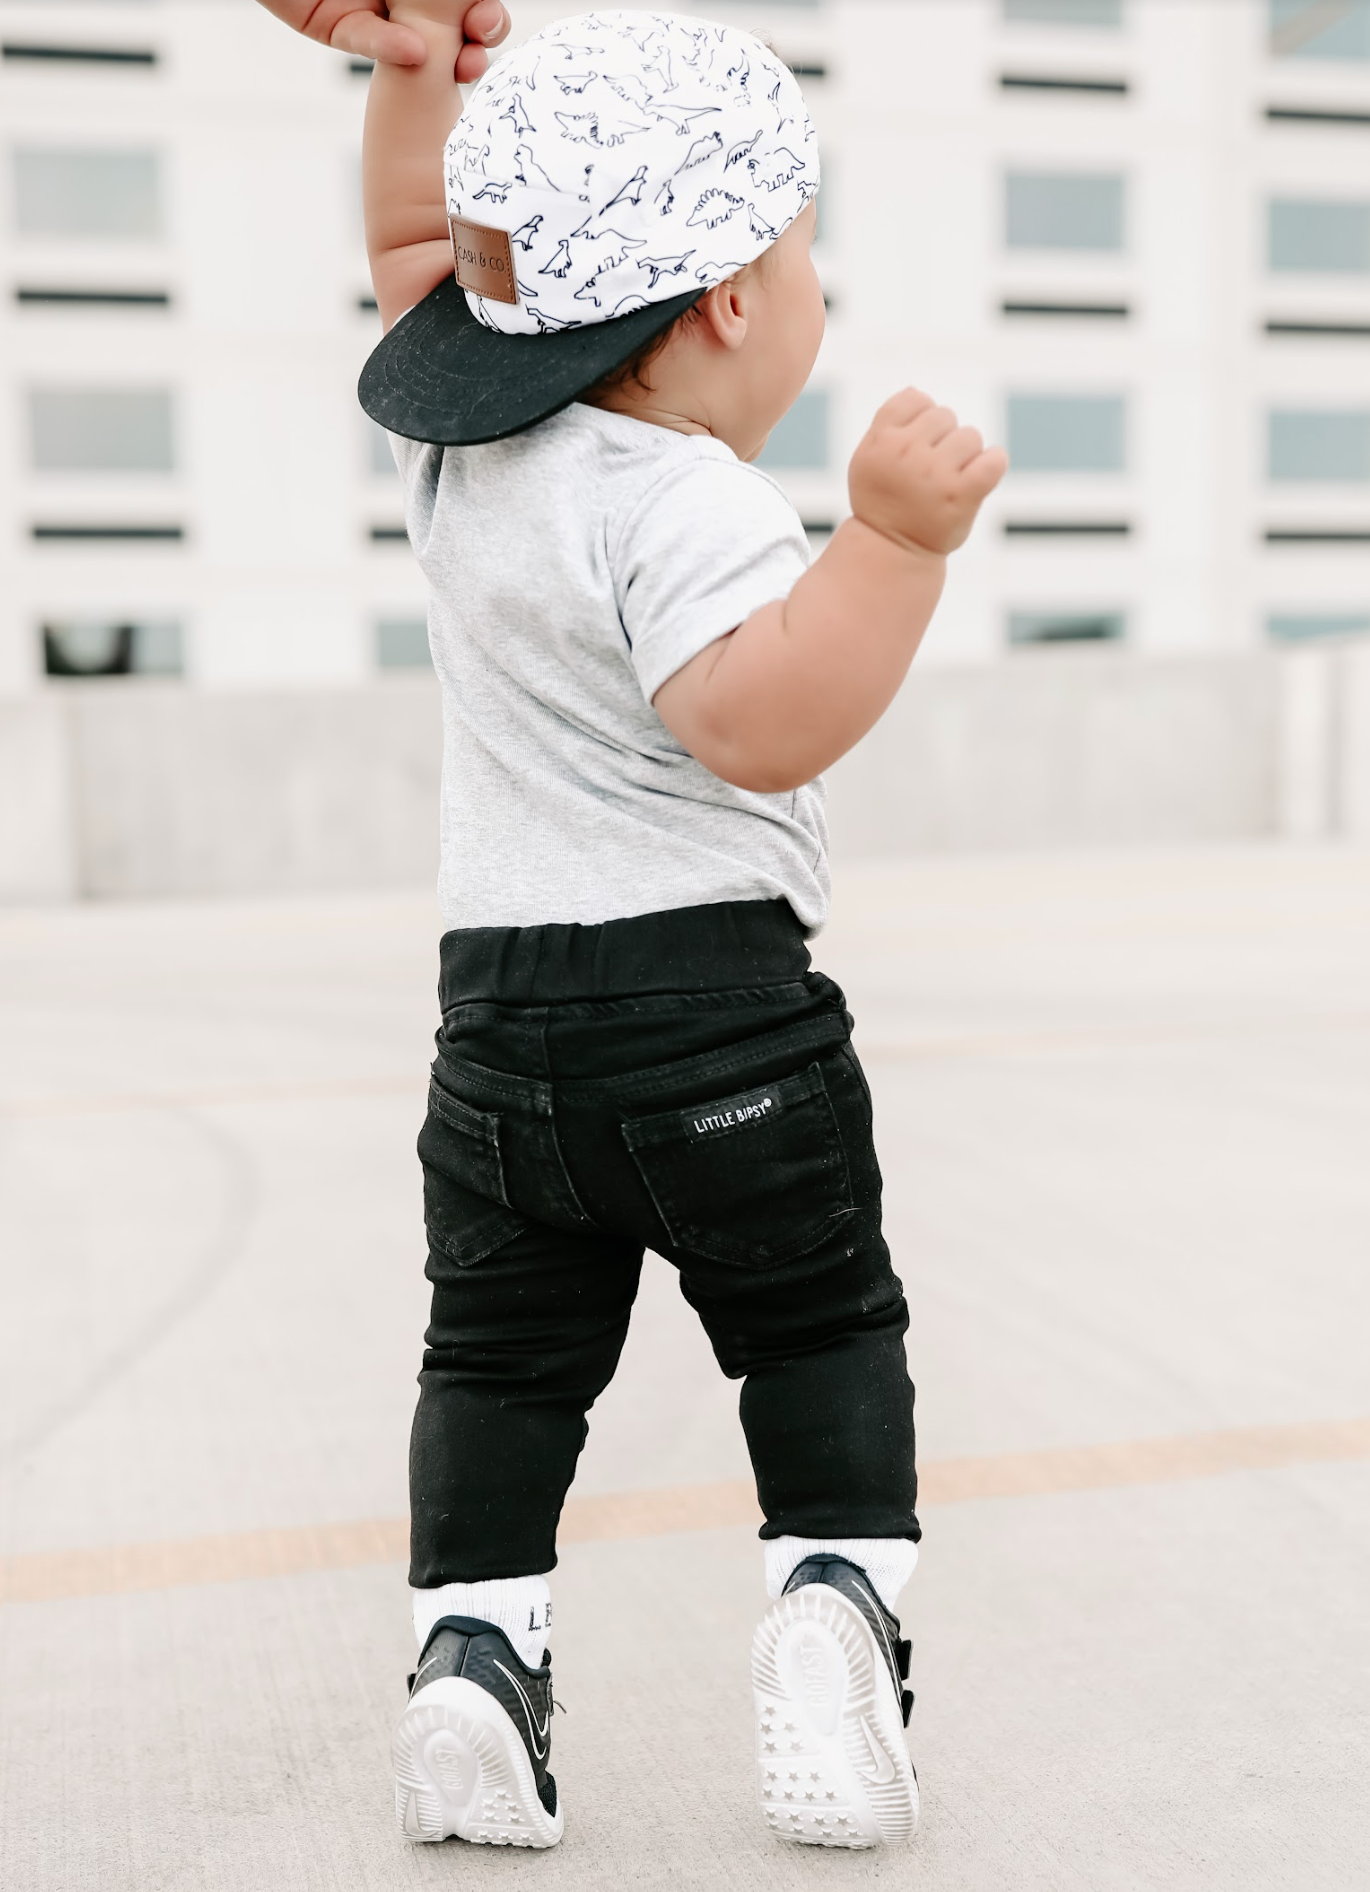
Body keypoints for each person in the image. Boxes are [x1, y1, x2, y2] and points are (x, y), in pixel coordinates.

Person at [260, 0, 1006, 1853]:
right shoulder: (683, 498)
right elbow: (754, 722)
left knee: (496, 1366)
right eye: (801, 253)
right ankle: (836, 1611)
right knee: (816, 1330)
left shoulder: (460, 468)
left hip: (496, 1040)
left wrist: (412, 76)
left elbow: (416, 249)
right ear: (735, 304)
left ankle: (471, 1658)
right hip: (716, 1020)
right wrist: (893, 548)